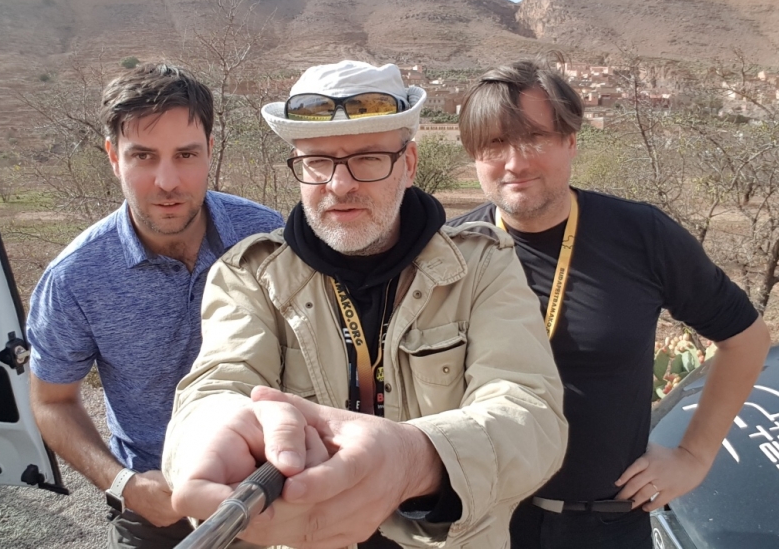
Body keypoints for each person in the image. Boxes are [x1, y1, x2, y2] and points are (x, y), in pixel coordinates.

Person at [161, 60, 568, 549]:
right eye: (318, 161)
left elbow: (530, 412)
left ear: (409, 164)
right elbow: (218, 385)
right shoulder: (250, 276)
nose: (339, 184)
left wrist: (416, 459)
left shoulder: (481, 266)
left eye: (369, 158)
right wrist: (212, 435)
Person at [448, 59, 771, 548]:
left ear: (571, 141)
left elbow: (746, 339)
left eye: (535, 138)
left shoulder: (640, 235)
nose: (515, 163)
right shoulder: (450, 252)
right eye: (494, 143)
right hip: (479, 524)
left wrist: (693, 457)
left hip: (605, 526)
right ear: (474, 155)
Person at [26, 63, 285, 549]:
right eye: (143, 156)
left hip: (264, 490)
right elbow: (51, 401)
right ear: (113, 157)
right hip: (153, 506)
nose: (167, 181)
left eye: (186, 154)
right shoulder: (75, 277)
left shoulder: (267, 236)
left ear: (210, 151)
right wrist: (125, 485)